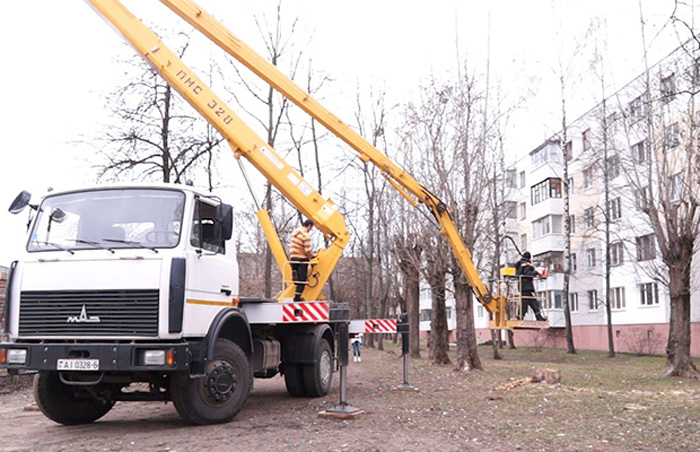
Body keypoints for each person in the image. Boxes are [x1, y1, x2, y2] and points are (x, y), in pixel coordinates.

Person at [288, 219, 317, 301]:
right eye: (311, 228)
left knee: (297, 280)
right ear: (309, 226)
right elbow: (307, 250)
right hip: (301, 259)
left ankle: (295, 276)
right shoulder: (306, 235)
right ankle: (297, 298)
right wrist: (313, 256)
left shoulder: (295, 234)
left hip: (292, 258)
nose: (311, 230)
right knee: (303, 281)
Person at [514, 251, 547, 321]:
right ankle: (520, 317)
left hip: (523, 287)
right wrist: (537, 271)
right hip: (526, 287)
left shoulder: (520, 265)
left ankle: (538, 317)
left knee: (533, 302)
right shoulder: (527, 265)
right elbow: (529, 275)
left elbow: (521, 274)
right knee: (525, 303)